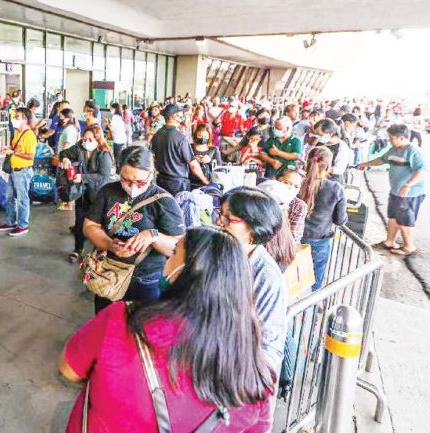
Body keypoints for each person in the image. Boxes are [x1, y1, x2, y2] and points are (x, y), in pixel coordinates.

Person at [59, 227, 274, 433]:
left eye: (173, 254)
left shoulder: (122, 321)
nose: (166, 264)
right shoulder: (255, 374)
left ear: (190, 271)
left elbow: (69, 369)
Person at [83, 146, 185, 313]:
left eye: (140, 182)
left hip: (146, 279)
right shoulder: (108, 192)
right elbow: (90, 226)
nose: (133, 187)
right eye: (126, 180)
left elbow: (178, 247)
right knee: (107, 324)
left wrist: (153, 236)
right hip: (109, 273)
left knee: (141, 329)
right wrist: (109, 244)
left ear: (151, 174)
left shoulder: (164, 202)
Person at [217, 186, 287, 374]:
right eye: (220, 214)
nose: (219, 222)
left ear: (253, 229)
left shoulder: (266, 277)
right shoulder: (221, 254)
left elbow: (269, 350)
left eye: (228, 219)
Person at [358, 124, 426, 256]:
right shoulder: (393, 149)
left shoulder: (413, 151)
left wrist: (407, 185)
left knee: (405, 219)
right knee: (393, 217)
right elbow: (382, 160)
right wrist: (365, 164)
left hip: (410, 194)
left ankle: (408, 246)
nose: (389, 140)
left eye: (391, 138)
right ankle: (389, 241)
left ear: (401, 138)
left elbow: (422, 171)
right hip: (396, 191)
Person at [59, 124, 114, 263]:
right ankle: (78, 249)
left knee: (98, 224)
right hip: (82, 194)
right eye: (84, 139)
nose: (86, 142)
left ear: (98, 139)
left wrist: (83, 178)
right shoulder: (80, 148)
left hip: (98, 195)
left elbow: (103, 176)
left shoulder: (104, 154)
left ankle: (100, 249)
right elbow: (64, 153)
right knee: (79, 223)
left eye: (90, 139)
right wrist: (65, 158)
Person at [300, 147, 348, 290]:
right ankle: (309, 312)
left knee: (294, 281)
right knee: (314, 283)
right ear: (328, 167)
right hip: (318, 242)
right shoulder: (335, 188)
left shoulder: (296, 182)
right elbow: (340, 220)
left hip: (294, 238)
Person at [0, 107, 37, 237]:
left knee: (22, 199)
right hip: (14, 171)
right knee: (10, 197)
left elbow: (30, 156)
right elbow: (17, 148)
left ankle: (22, 225)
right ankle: (10, 221)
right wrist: (9, 148)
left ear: (25, 119)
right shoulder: (18, 133)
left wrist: (13, 152)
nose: (14, 120)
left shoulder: (29, 135)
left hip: (23, 172)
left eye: (17, 117)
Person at [151, 104, 209, 195]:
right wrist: (205, 180)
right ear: (174, 116)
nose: (182, 117)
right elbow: (193, 164)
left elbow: (155, 157)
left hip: (161, 181)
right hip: (178, 184)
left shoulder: (157, 134)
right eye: (181, 115)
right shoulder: (180, 138)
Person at [309, 118, 351, 184]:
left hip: (331, 181)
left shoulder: (342, 147)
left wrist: (319, 168)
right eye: (316, 134)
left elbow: (339, 170)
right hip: (315, 178)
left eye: (320, 135)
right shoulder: (319, 142)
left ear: (330, 134)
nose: (318, 136)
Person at [278, 168, 308, 244]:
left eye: (296, 186)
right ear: (278, 180)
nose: (291, 188)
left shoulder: (299, 206)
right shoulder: (266, 197)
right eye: (287, 183)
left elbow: (293, 237)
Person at [190, 123, 222, 188]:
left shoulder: (214, 150)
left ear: (209, 136)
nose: (202, 138)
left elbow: (220, 167)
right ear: (196, 134)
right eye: (200, 135)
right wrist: (194, 160)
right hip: (191, 182)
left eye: (205, 136)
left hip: (209, 183)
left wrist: (210, 161)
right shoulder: (190, 147)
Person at [108, 103, 128, 171]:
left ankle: (118, 171)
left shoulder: (115, 117)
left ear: (115, 109)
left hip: (118, 140)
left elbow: (111, 128)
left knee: (117, 156)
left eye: (111, 108)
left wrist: (107, 123)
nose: (110, 110)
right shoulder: (120, 116)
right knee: (120, 156)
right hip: (122, 139)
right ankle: (120, 170)